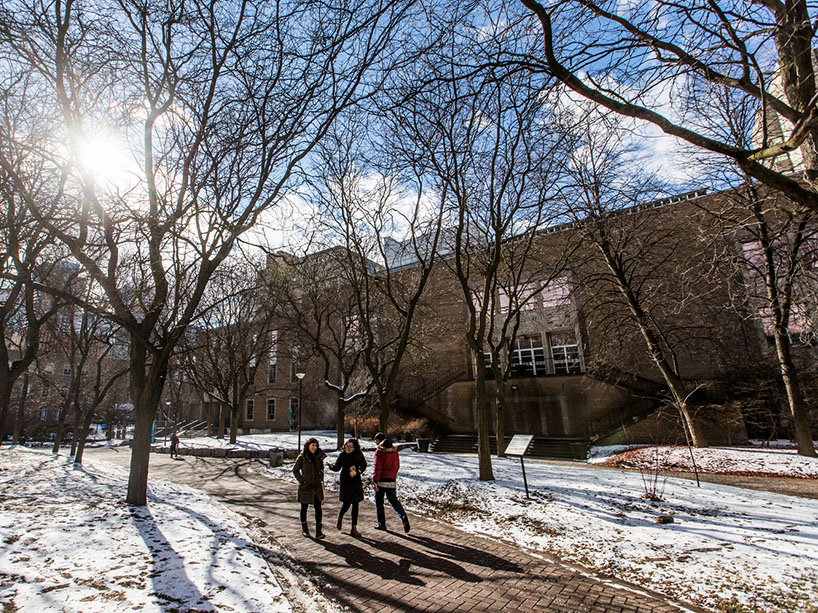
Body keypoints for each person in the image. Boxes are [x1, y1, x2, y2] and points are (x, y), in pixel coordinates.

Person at [371, 432, 410, 533]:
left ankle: (382, 523)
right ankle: (403, 515)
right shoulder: (394, 451)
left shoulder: (379, 452)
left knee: (379, 503)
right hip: (392, 479)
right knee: (394, 501)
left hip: (381, 480)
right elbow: (397, 465)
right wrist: (393, 475)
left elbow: (377, 467)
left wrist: (375, 480)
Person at [330, 438, 367, 537]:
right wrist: (332, 467)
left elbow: (364, 465)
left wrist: (358, 471)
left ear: (355, 447)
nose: (347, 448)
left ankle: (354, 528)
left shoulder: (359, 454)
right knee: (346, 503)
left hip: (355, 481)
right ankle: (340, 516)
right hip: (346, 481)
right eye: (346, 446)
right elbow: (337, 467)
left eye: (350, 446)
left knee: (355, 504)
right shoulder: (343, 455)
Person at [293, 437, 327, 539]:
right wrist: (302, 481)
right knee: (304, 508)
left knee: (318, 508)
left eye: (316, 445)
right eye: (312, 445)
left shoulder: (319, 456)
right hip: (306, 486)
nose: (314, 447)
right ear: (308, 446)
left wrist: (320, 477)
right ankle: (305, 529)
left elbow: (321, 468)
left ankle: (318, 532)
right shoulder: (302, 457)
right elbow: (295, 470)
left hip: (316, 486)